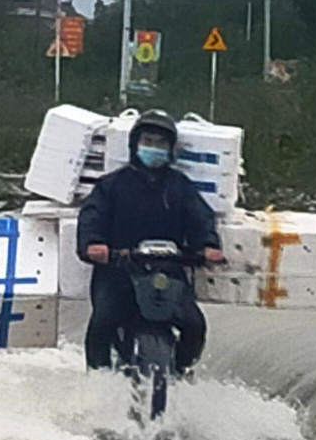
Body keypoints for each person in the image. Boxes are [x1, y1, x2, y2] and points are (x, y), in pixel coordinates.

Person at [76, 111, 224, 374]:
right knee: (102, 321)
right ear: (135, 144)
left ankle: (181, 371)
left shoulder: (181, 186)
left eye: (160, 143)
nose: (153, 148)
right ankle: (97, 380)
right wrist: (93, 245)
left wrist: (209, 246)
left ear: (170, 149)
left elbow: (202, 219)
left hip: (169, 271)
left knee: (194, 325)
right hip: (119, 271)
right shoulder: (111, 185)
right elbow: (91, 218)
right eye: (148, 141)